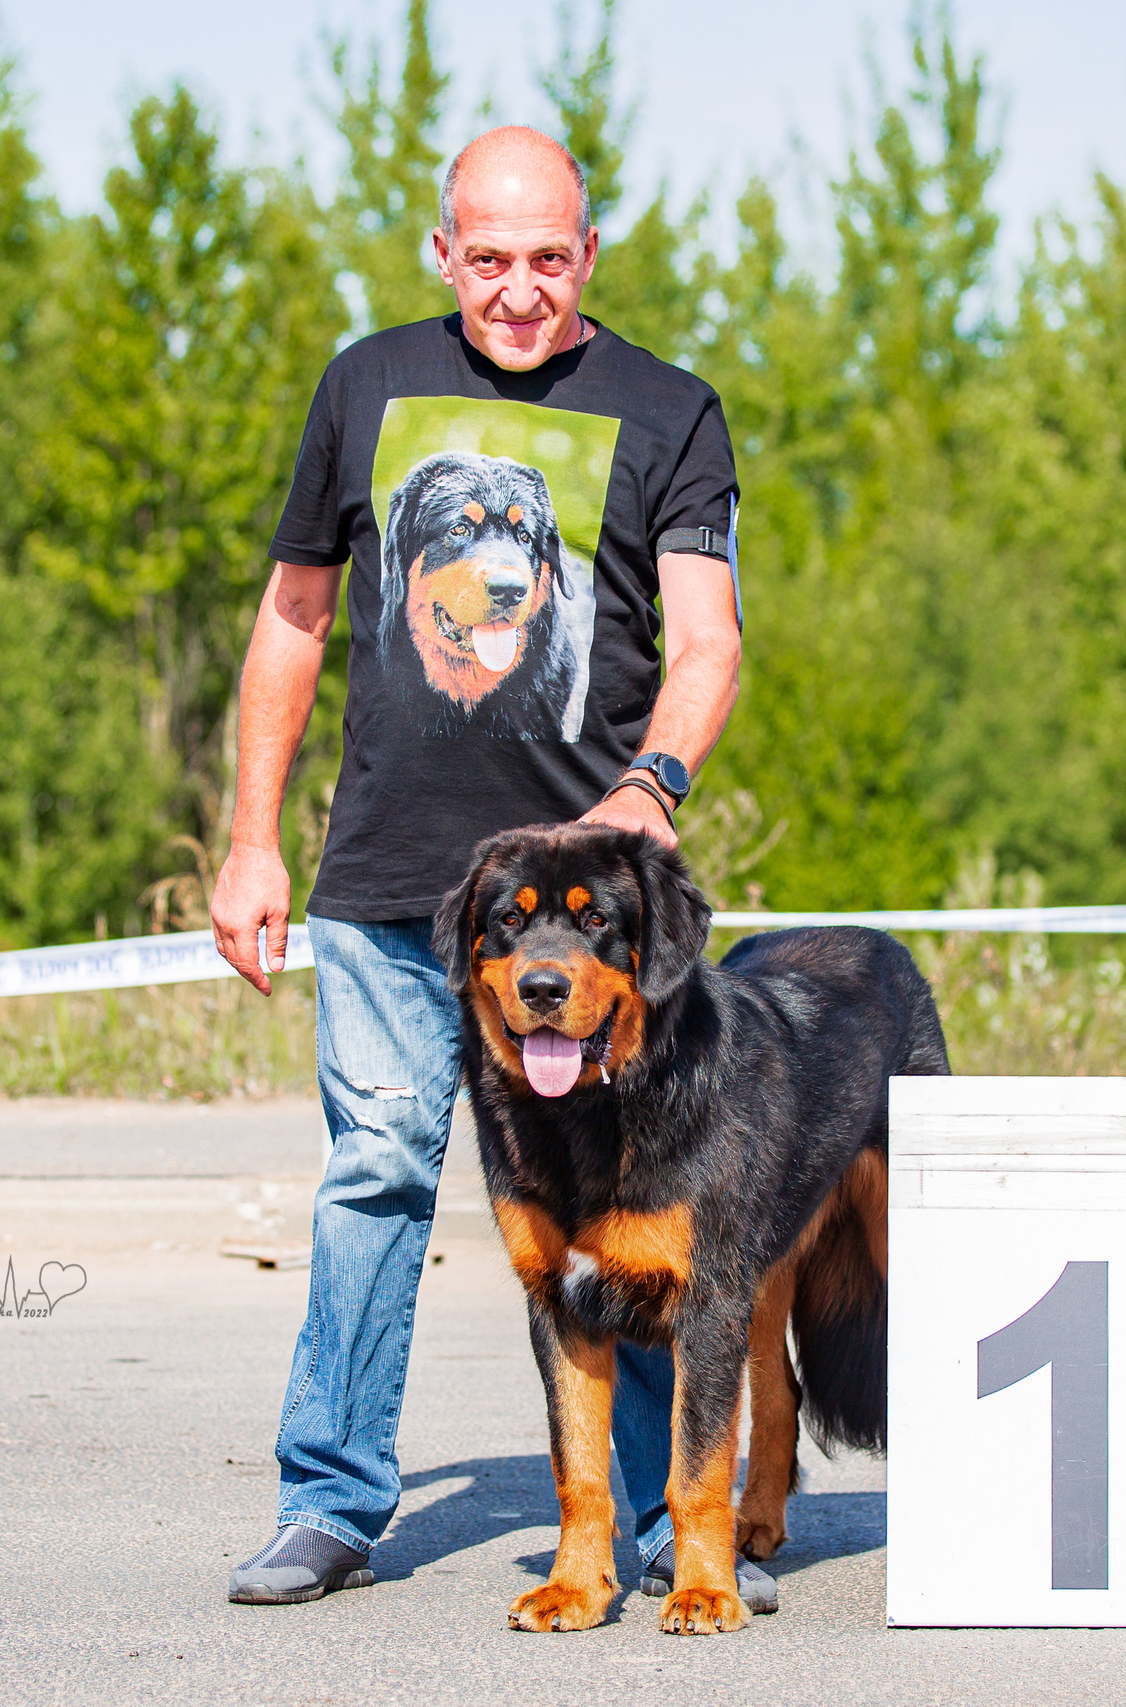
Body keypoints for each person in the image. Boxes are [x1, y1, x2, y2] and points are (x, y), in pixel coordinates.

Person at [207, 125, 767, 1610]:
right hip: (392, 889)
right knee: (378, 1170)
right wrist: (252, 839)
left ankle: (667, 1523)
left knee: (634, 1206)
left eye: (550, 259)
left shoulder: (672, 411)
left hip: (590, 923)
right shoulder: (364, 384)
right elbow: (293, 618)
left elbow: (708, 643)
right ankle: (330, 1503)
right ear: (443, 251)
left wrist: (654, 783)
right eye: (492, 258)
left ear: (590, 253)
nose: (521, 290)